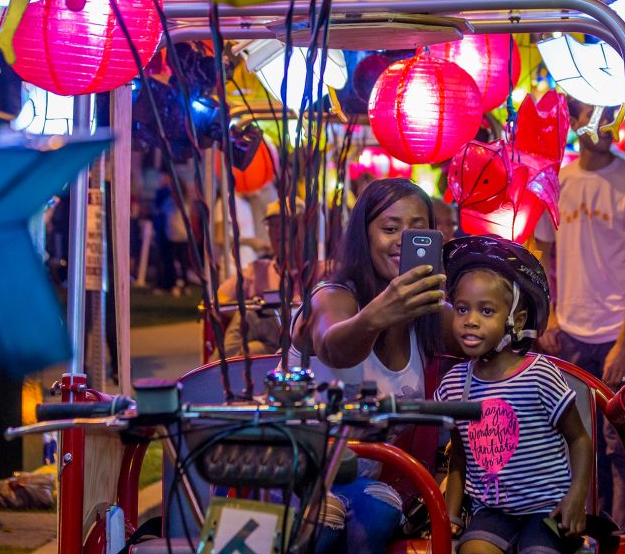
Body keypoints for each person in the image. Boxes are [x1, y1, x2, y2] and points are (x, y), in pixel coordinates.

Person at [289, 178, 448, 554]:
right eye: (390, 229)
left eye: (417, 230)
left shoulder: (425, 312)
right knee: (333, 517)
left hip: (369, 485)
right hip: (299, 472)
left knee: (377, 508)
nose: (402, 240)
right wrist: (379, 312)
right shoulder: (332, 295)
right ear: (364, 235)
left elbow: (479, 329)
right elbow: (334, 347)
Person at [534, 103, 625, 531]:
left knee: (620, 448)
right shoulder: (559, 182)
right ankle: (585, 532)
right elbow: (540, 252)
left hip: (616, 333)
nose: (605, 125)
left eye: (612, 115)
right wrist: (547, 318)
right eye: (594, 114)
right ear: (572, 121)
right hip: (568, 332)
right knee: (574, 443)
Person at [436, 236, 593, 554]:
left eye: (487, 311)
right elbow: (458, 457)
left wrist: (575, 498)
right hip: (491, 512)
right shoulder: (454, 385)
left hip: (548, 511)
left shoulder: (540, 375)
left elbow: (579, 439)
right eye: (463, 309)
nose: (471, 320)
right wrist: (450, 513)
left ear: (516, 321)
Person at [217, 198, 307, 356]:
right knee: (251, 347)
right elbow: (219, 300)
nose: (278, 230)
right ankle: (219, 372)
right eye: (272, 225)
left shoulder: (319, 270)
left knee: (250, 314)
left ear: (302, 227)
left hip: (301, 339)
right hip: (271, 345)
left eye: (285, 223)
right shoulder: (258, 270)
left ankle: (217, 372)